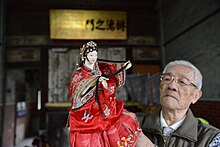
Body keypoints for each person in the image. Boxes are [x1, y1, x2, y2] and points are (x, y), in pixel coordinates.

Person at [67, 41, 153, 147]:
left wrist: (123, 66)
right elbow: (77, 91)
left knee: (123, 123)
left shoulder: (98, 66)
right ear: (85, 56)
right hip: (88, 111)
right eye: (91, 55)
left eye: (95, 54)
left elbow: (111, 69)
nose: (94, 57)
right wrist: (95, 82)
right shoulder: (78, 74)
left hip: (104, 107)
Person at [139, 60, 220, 147]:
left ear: (195, 96)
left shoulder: (211, 138)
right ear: (160, 87)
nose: (171, 86)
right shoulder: (132, 123)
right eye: (167, 79)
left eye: (182, 82)